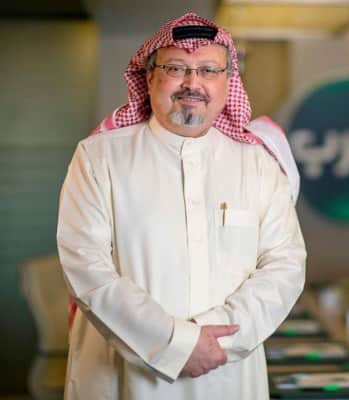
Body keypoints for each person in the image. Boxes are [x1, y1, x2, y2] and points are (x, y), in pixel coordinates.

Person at [57, 12, 306, 400]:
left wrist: (216, 342)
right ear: (149, 78)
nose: (193, 83)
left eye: (209, 70)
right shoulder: (99, 158)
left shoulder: (259, 164)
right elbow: (86, 269)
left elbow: (284, 267)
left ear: (228, 82)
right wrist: (176, 344)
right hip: (124, 378)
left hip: (228, 374)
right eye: (176, 68)